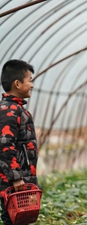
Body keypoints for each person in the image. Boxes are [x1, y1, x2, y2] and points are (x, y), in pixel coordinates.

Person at [0, 60, 39, 225]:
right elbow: (4, 146)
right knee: (12, 219)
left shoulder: (17, 109)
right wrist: (15, 177)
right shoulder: (9, 111)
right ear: (17, 83)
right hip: (13, 181)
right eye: (29, 80)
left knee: (20, 219)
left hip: (22, 177)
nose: (31, 85)